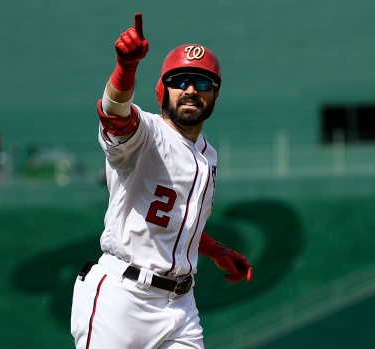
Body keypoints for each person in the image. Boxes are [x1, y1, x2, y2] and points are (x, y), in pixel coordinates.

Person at [70, 13, 252, 349]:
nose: (191, 90)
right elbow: (114, 114)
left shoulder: (207, 155)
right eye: (180, 80)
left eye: (202, 82)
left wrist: (214, 250)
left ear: (216, 94)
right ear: (161, 90)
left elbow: (177, 221)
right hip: (122, 296)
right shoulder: (148, 133)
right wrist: (126, 68)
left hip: (180, 305)